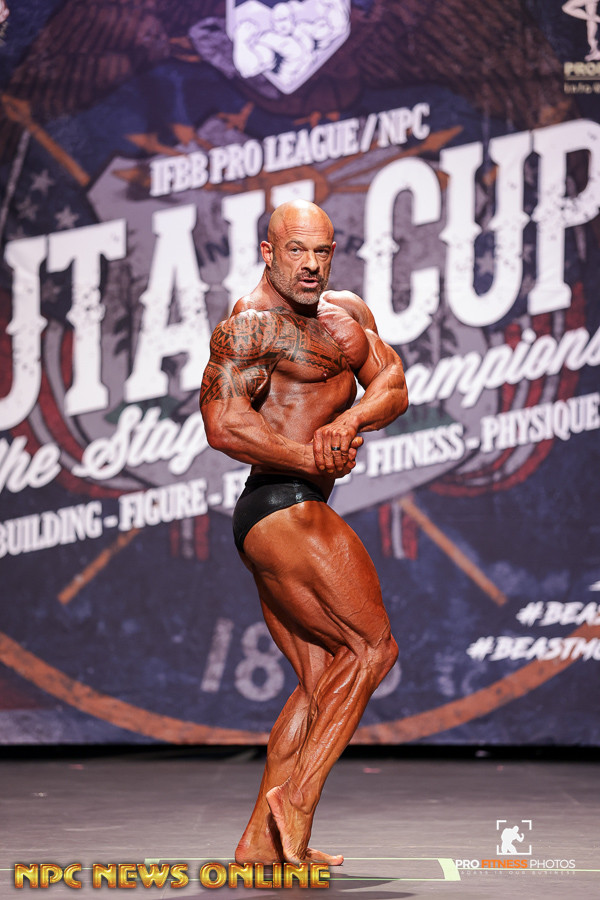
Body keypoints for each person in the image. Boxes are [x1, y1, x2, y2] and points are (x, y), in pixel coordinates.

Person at [199, 199, 408, 866]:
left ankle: (259, 846)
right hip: (279, 504)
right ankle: (297, 801)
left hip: (288, 508)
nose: (312, 264)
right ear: (269, 252)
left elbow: (393, 385)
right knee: (372, 648)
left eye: (322, 250)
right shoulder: (250, 324)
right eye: (297, 250)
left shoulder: (347, 314)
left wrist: (347, 424)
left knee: (321, 682)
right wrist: (309, 457)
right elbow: (225, 426)